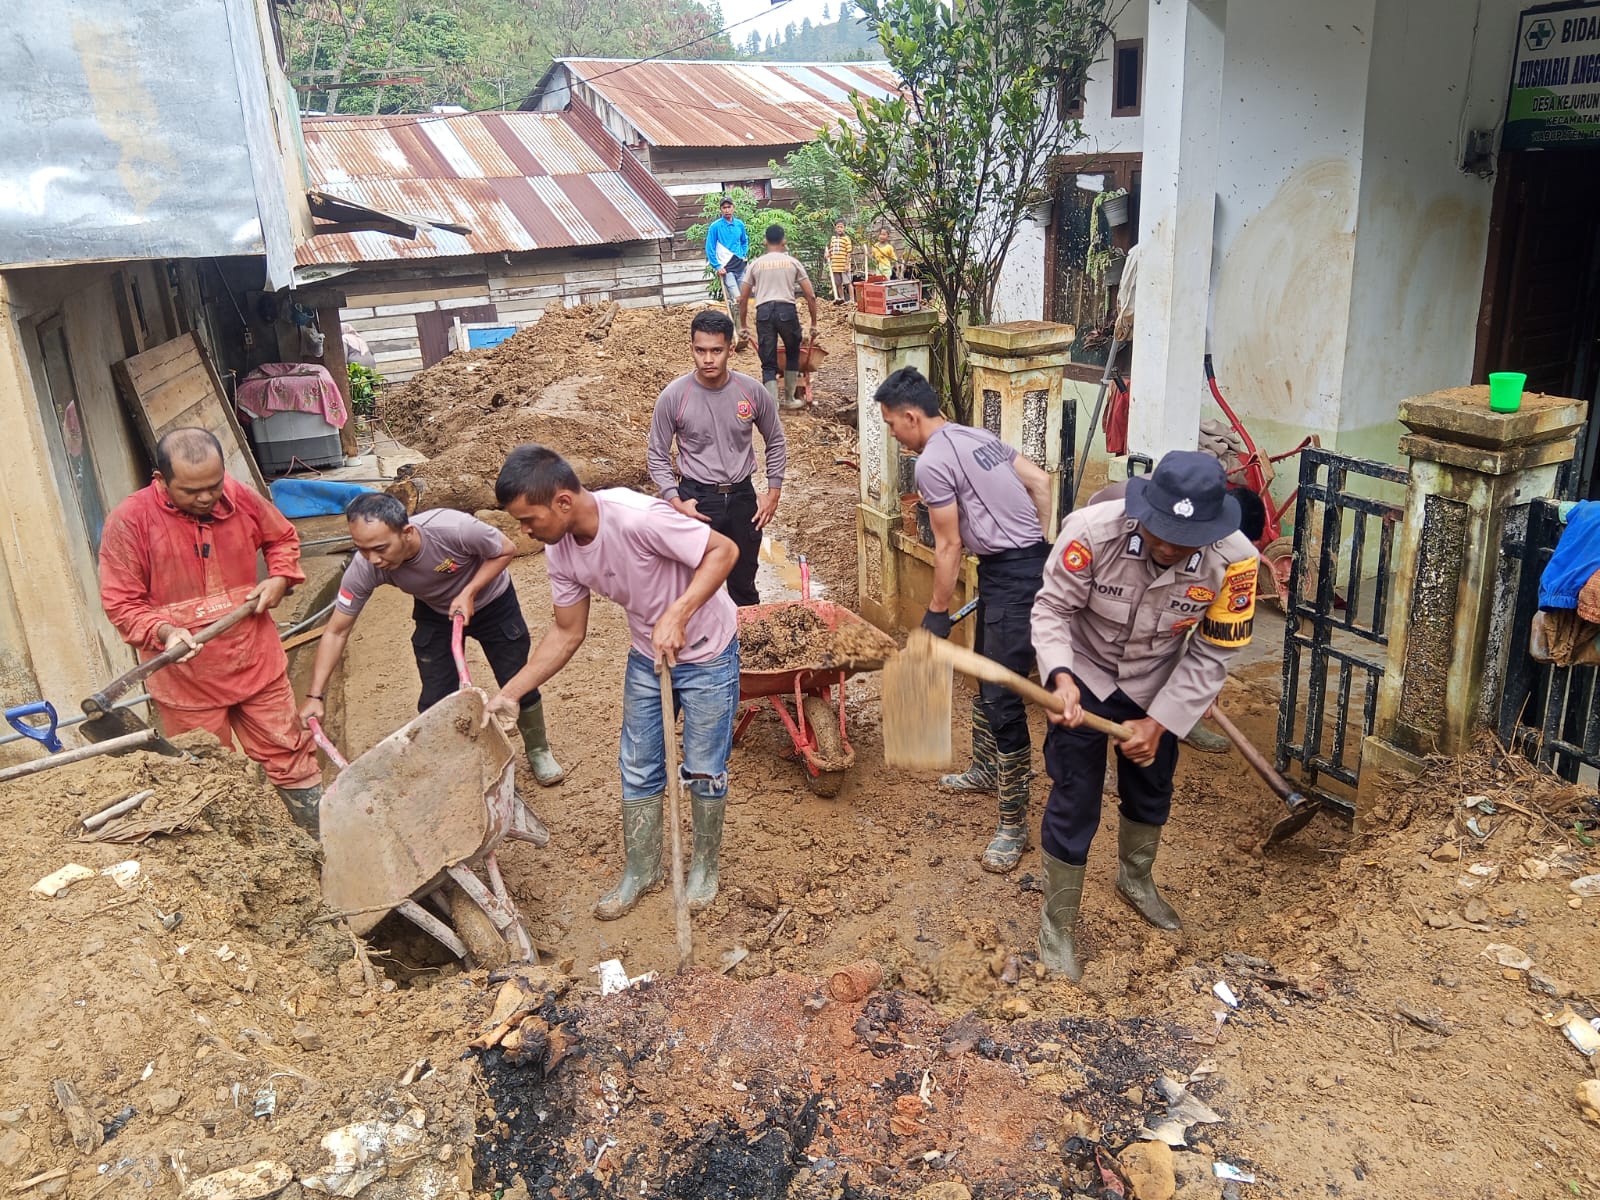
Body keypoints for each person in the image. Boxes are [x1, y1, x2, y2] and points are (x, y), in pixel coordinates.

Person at [485, 445, 741, 920]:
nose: (524, 531)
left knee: (704, 766)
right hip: (648, 656)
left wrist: (678, 612)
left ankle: (704, 867)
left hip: (706, 650)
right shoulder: (560, 549)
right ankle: (642, 869)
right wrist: (509, 694)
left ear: (562, 502)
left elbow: (724, 549)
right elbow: (567, 631)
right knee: (639, 765)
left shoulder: (637, 517)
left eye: (528, 519)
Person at [1031, 451, 1258, 982]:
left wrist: (1161, 723)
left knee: (1151, 786)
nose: (1167, 547)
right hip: (1085, 671)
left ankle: (1136, 880)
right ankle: (1057, 922)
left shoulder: (1238, 563)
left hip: (1159, 682)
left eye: (1184, 540)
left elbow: (1212, 654)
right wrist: (1060, 677)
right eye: (1159, 532)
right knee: (1074, 793)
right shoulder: (1090, 531)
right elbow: (1052, 610)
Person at [98, 428, 322, 832]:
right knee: (206, 772)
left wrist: (281, 577)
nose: (206, 497)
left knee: (289, 753)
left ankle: (319, 838)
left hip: (256, 663)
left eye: (214, 486)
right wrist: (164, 631)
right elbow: (122, 604)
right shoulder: (129, 522)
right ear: (161, 480)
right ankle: (239, 858)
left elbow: (282, 538)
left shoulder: (239, 497)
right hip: (187, 683)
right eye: (191, 491)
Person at [877, 366, 1054, 873]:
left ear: (912, 417)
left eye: (892, 425)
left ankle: (1013, 824)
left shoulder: (931, 462)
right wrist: (1037, 549)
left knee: (1002, 695)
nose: (892, 434)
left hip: (1011, 575)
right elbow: (1040, 483)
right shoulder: (975, 435)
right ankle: (983, 768)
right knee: (984, 669)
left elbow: (950, 544)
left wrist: (935, 616)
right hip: (1022, 566)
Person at [297, 494, 565, 789]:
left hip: (494, 603)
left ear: (407, 533)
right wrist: (315, 696)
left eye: (380, 548)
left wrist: (470, 591)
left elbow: (505, 549)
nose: (372, 559)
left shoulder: (453, 529)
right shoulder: (367, 566)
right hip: (436, 611)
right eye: (362, 549)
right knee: (435, 696)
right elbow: (337, 631)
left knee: (517, 679)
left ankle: (538, 749)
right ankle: (452, 763)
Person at [1086, 477, 1267, 754]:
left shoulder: (1224, 547)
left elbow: (1207, 635)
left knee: (1175, 627)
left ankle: (1175, 718)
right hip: (1111, 582)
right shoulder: (1119, 520)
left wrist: (1201, 688)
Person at [648, 309, 787, 608]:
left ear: (729, 349)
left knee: (745, 587)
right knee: (697, 590)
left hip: (742, 500)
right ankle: (702, 653)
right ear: (692, 349)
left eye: (716, 351)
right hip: (697, 502)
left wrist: (773, 493)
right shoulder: (674, 396)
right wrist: (676, 502)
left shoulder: (750, 391)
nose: (708, 359)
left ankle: (747, 651)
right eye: (700, 351)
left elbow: (775, 440)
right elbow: (657, 454)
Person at [737, 224, 820, 411]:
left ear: (765, 241)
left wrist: (743, 325)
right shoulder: (792, 262)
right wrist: (813, 323)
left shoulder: (756, 264)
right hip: (786, 311)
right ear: (784, 241)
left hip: (764, 312)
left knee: (768, 362)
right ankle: (789, 399)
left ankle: (771, 405)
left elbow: (742, 298)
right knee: (792, 352)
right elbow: (811, 295)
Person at [704, 196, 750, 338]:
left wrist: (743, 254)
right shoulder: (716, 227)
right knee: (736, 299)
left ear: (733, 208)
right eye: (724, 207)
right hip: (726, 267)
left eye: (729, 207)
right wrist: (717, 266)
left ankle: (747, 327)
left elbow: (744, 240)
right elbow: (709, 247)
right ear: (721, 210)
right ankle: (737, 331)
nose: (727, 210)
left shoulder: (739, 225)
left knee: (745, 297)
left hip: (740, 265)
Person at [827, 219, 853, 303]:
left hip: (844, 265)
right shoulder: (833, 239)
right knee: (838, 284)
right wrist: (828, 254)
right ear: (835, 228)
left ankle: (852, 299)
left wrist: (847, 264)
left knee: (848, 283)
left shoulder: (846, 239)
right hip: (835, 266)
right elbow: (831, 250)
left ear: (844, 228)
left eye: (841, 227)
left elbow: (849, 252)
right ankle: (842, 299)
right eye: (838, 227)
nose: (839, 229)